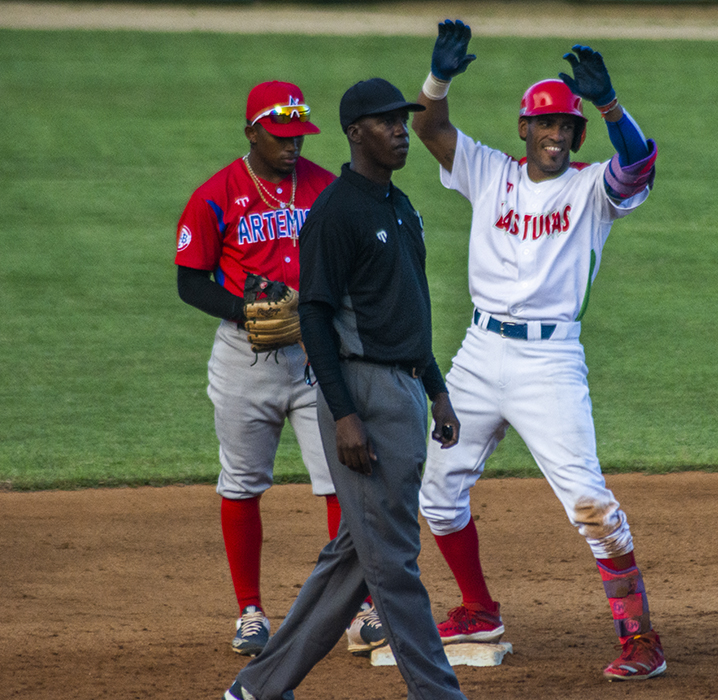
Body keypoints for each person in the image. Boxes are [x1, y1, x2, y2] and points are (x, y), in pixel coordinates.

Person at [412, 20, 665, 682]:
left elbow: (637, 163)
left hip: (549, 363)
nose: (557, 137)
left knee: (589, 502)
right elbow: (432, 131)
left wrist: (611, 107)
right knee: (436, 494)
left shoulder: (591, 190)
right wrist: (436, 81)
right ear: (523, 129)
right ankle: (477, 610)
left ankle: (640, 637)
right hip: (477, 353)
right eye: (546, 125)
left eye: (567, 129)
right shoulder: (489, 172)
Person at [224, 77, 468, 700]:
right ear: (355, 132)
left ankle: (257, 688)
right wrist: (343, 414)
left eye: (402, 120)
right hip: (364, 393)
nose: (399, 131)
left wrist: (436, 387)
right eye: (386, 122)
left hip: (406, 391)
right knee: (393, 561)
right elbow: (313, 315)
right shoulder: (335, 212)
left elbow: (409, 306)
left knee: (355, 558)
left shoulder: (401, 206)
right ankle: (438, 693)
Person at [174, 80, 388, 658]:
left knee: (340, 477)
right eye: (281, 135)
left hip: (318, 357)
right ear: (252, 132)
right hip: (245, 359)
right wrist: (245, 311)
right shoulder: (215, 194)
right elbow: (189, 280)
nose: (293, 146)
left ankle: (358, 608)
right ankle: (249, 611)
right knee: (242, 482)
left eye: (299, 135)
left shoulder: (325, 187)